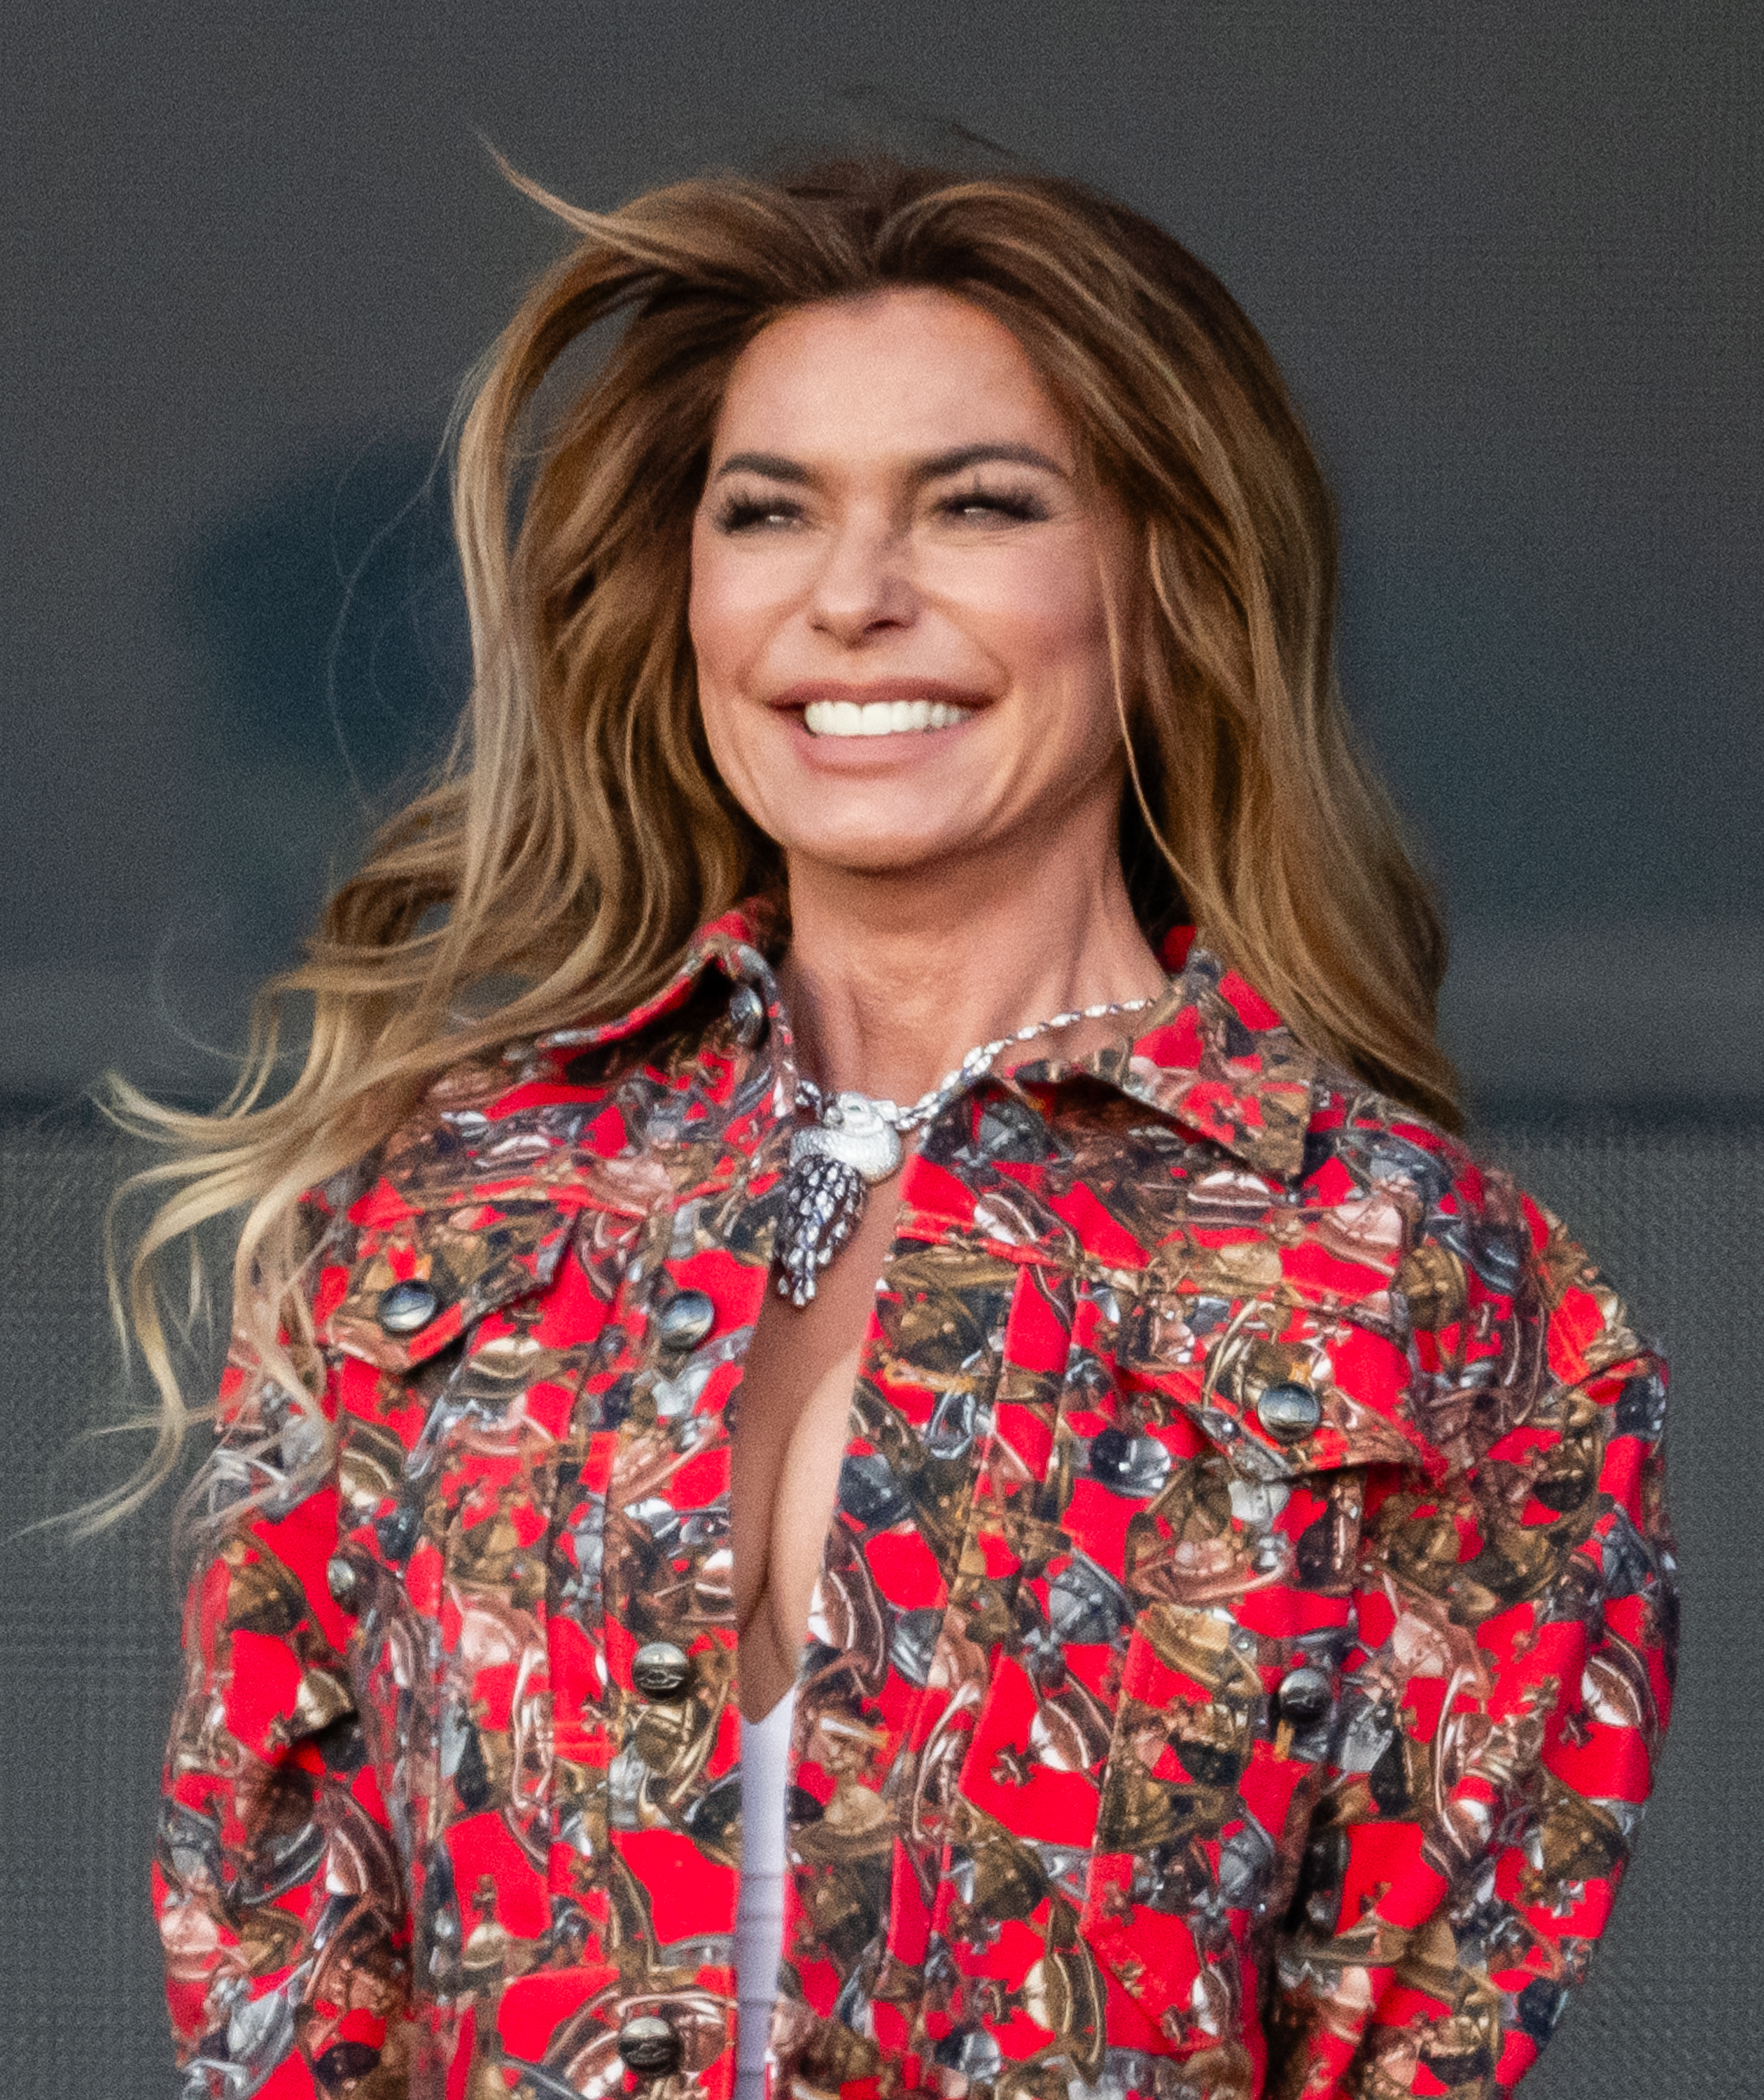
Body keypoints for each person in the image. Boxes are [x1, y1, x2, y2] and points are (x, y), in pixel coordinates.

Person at [141, 156, 1677, 2100]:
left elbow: (1419, 2021)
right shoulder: (440, 1213)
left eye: (979, 505)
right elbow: (278, 1952)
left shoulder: (1431, 1293)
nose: (852, 597)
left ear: (1165, 589)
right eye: (769, 510)